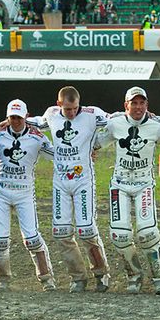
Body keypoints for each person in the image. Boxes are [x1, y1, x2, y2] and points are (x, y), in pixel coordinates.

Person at [95, 87, 160, 295]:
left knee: (148, 233)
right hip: (120, 185)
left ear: (147, 105)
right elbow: (96, 142)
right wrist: (86, 152)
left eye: (142, 103)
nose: (138, 107)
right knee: (119, 234)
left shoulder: (156, 126)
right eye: (134, 103)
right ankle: (133, 275)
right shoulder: (115, 123)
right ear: (126, 105)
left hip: (144, 185)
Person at [26, 86, 111, 293]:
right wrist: (10, 120)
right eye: (68, 109)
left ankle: (101, 273)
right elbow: (33, 122)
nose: (72, 112)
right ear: (59, 104)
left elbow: (118, 122)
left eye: (74, 108)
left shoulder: (92, 114)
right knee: (61, 232)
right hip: (60, 182)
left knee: (86, 230)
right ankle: (78, 277)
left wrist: (97, 145)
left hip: (83, 181)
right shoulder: (52, 115)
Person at [0, 99, 56, 292]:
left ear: (26, 116)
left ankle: (46, 278)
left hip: (25, 194)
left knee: (32, 238)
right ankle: (2, 279)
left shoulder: (38, 137)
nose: (15, 121)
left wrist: (83, 154)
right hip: (1, 192)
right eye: (12, 117)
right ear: (7, 117)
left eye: (19, 117)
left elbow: (57, 155)